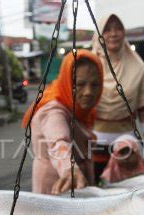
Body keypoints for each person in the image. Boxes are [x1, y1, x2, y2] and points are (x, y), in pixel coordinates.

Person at [22, 50, 103, 195]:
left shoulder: (79, 109)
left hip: (79, 186)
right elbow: (58, 142)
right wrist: (68, 168)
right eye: (80, 84)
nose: (88, 92)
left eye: (95, 84)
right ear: (67, 81)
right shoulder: (53, 111)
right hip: (55, 190)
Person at [91, 14, 144, 183]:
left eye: (118, 28)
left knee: (129, 195)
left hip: (128, 151)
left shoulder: (138, 66)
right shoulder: (89, 66)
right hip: (91, 150)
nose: (114, 33)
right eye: (107, 30)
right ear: (98, 34)